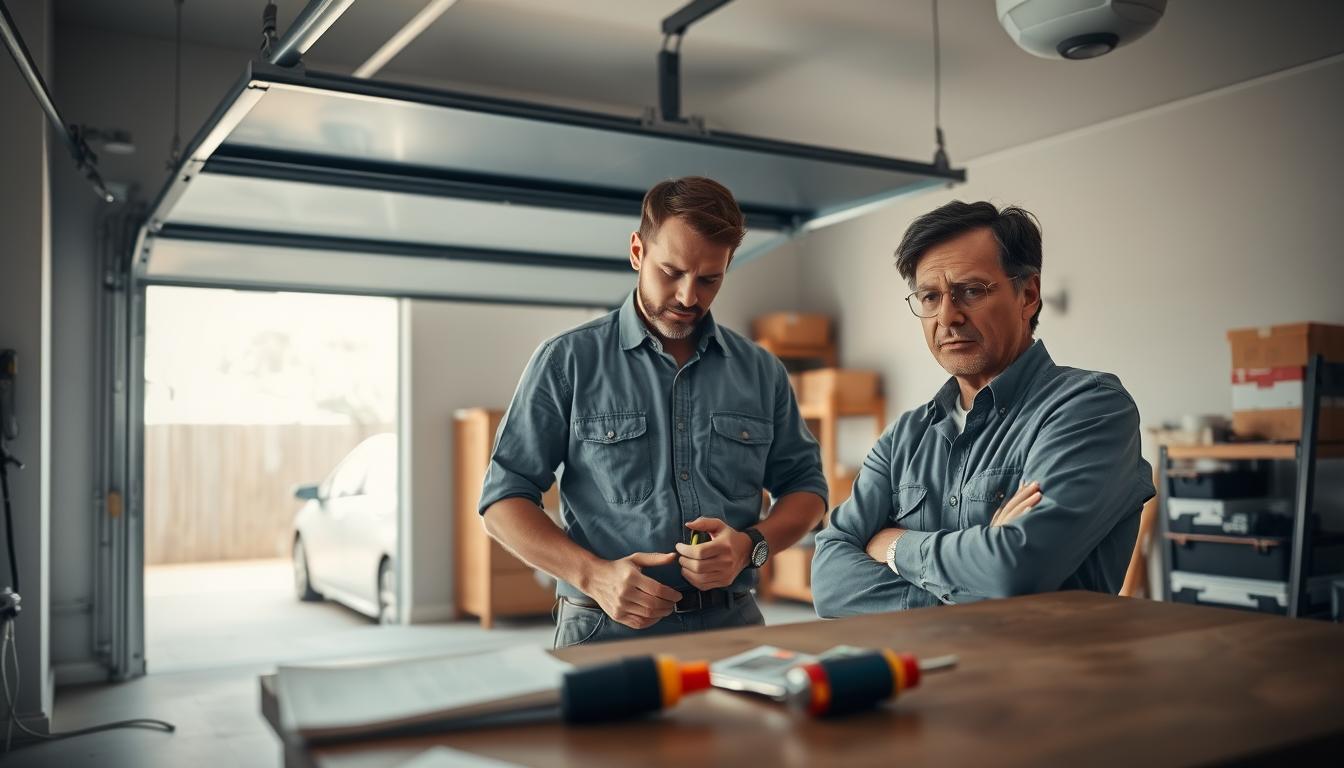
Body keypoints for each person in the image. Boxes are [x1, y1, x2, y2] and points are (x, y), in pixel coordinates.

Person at [480, 176, 828, 646]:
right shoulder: (566, 361)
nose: (689, 298)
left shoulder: (762, 371)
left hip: (733, 627)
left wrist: (750, 547)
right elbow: (502, 500)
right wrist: (593, 575)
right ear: (637, 252)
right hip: (603, 629)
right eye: (672, 272)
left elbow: (807, 491)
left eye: (710, 279)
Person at [811, 201, 1155, 616]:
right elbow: (829, 582)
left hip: (1047, 677)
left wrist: (894, 545)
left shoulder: (1091, 409)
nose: (947, 316)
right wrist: (975, 574)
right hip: (920, 676)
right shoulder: (905, 437)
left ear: (1028, 294)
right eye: (930, 297)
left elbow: (1016, 569)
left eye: (971, 291)